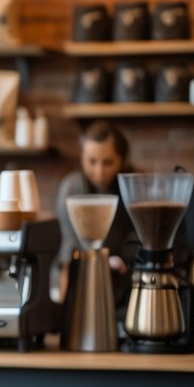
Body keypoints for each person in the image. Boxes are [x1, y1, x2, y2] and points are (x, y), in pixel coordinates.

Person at [55, 120, 140, 304]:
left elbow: (137, 235)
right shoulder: (72, 187)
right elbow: (69, 247)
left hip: (125, 278)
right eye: (92, 162)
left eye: (108, 162)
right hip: (80, 277)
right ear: (82, 157)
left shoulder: (133, 186)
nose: (99, 171)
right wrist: (101, 261)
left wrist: (122, 259)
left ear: (123, 159)